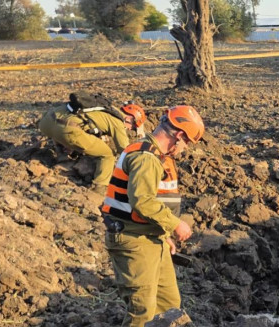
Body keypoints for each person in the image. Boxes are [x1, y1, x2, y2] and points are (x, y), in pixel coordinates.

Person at [101, 105, 204, 327]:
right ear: (179, 135)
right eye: (187, 143)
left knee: (169, 305)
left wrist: (163, 234)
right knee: (143, 311)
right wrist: (175, 224)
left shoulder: (156, 155)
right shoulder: (145, 157)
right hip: (133, 240)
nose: (185, 149)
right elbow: (143, 201)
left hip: (152, 237)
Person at [38, 96, 147, 194]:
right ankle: (99, 187)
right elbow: (124, 150)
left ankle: (61, 153)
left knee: (78, 136)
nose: (130, 129)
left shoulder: (103, 108)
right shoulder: (117, 121)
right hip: (66, 130)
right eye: (133, 127)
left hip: (46, 123)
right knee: (107, 154)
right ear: (130, 118)